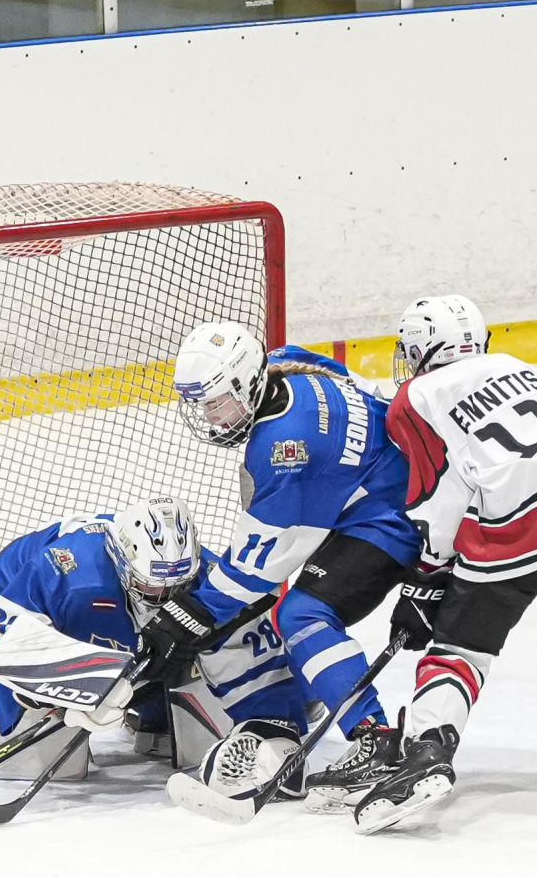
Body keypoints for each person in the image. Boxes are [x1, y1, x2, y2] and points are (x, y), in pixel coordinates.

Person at [350, 295, 537, 833]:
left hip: (532, 522)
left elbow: (438, 497)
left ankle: (427, 751)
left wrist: (427, 579)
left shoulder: (414, 397)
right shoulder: (515, 364)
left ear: (419, 350)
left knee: (460, 642)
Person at [146, 325, 423, 808]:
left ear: (246, 385)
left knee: (300, 615)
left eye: (216, 403)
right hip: (390, 481)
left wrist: (190, 614)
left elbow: (258, 567)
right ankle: (309, 690)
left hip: (391, 516)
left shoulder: (282, 448)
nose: (209, 416)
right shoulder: (286, 362)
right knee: (283, 605)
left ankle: (374, 740)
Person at [0, 496, 303, 776]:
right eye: (151, 586)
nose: (164, 598)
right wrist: (61, 686)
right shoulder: (67, 571)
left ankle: (154, 719)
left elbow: (244, 647)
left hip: (106, 605)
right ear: (120, 562)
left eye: (178, 586)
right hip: (7, 595)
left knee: (173, 650)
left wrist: (273, 723)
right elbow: (5, 636)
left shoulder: (202, 574)